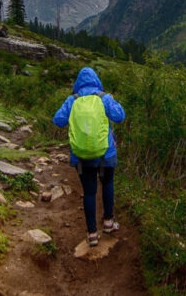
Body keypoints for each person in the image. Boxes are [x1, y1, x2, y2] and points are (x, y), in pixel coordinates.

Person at [52, 67, 125, 246]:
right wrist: (113, 101)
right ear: (96, 80)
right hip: (106, 153)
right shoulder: (104, 98)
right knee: (107, 184)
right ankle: (108, 222)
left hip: (81, 156)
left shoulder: (72, 100)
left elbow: (58, 120)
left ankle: (92, 234)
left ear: (78, 83)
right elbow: (120, 116)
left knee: (89, 192)